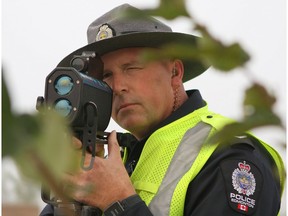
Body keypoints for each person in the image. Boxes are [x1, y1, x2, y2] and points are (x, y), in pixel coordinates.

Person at [40, 4, 285, 216]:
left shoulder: (229, 155)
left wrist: (119, 203)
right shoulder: (115, 159)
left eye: (131, 68)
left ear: (175, 73)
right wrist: (70, 196)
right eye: (106, 76)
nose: (117, 87)